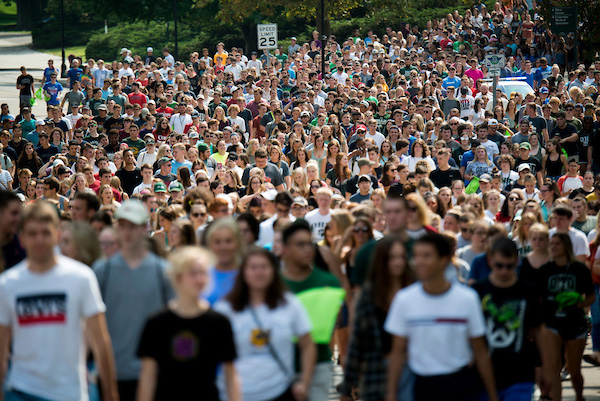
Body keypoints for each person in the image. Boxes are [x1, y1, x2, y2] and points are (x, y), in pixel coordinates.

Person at [0, 201, 119, 401]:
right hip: (21, 390)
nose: (39, 240)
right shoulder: (8, 284)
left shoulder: (81, 277)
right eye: (32, 233)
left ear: (56, 233)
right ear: (21, 238)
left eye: (45, 233)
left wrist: (110, 394)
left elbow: (101, 342)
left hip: (69, 392)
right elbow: (1, 347)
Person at [385, 233, 498, 401]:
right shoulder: (404, 300)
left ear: (444, 259)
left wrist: (492, 395)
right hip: (421, 387)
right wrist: (391, 394)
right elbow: (397, 352)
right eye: (416, 256)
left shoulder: (467, 299)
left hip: (460, 386)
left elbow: (480, 350)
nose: (419, 262)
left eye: (427, 256)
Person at [93, 200, 174, 401]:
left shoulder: (163, 271)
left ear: (145, 226)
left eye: (134, 226)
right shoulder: (102, 270)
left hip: (155, 373)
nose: (127, 232)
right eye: (123, 226)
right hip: (112, 373)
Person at [137, 246, 240, 401]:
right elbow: (147, 377)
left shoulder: (220, 323)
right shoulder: (157, 323)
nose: (199, 279)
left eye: (203, 273)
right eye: (193, 273)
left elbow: (230, 376)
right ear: (178, 277)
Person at [215, 246, 316, 401]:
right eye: (253, 267)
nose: (259, 272)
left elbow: (308, 344)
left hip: (279, 391)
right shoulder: (225, 309)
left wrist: (305, 383)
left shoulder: (289, 304)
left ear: (274, 271)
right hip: (236, 394)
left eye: (264, 267)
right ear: (243, 272)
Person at [341, 236, 415, 401]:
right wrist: (347, 388)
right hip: (376, 372)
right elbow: (357, 342)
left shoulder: (414, 292)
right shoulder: (369, 295)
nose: (398, 262)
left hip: (412, 372)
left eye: (401, 257)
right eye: (392, 258)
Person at [472, 238, 546, 401]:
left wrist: (545, 367)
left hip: (520, 374)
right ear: (490, 260)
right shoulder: (477, 291)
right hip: (483, 374)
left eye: (509, 265)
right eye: (499, 265)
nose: (504, 271)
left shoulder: (527, 291)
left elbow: (538, 331)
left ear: (516, 261)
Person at [280, 220, 342, 401]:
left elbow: (332, 325)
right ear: (285, 249)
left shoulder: (329, 283)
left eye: (310, 244)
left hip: (320, 365)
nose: (308, 249)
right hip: (281, 366)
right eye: (300, 244)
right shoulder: (273, 284)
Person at [538, 233, 595, 401]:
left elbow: (591, 296)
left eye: (558, 244)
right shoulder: (545, 270)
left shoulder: (579, 269)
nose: (554, 247)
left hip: (575, 323)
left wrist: (578, 303)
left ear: (566, 247)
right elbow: (538, 298)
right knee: (554, 367)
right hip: (551, 323)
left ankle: (579, 396)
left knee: (574, 370)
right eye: (551, 244)